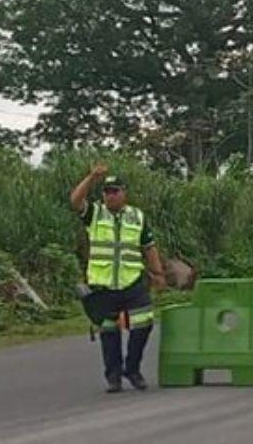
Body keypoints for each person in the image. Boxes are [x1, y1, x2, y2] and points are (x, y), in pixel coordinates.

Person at [70, 165, 167, 393]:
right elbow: (75, 201)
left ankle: (132, 369)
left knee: (143, 324)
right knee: (109, 332)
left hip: (132, 280)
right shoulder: (95, 213)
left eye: (115, 191)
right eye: (107, 192)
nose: (111, 195)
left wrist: (159, 274)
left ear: (124, 193)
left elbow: (149, 247)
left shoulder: (137, 216)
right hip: (103, 284)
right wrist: (92, 177)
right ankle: (113, 377)